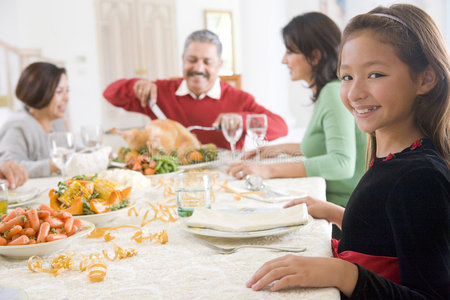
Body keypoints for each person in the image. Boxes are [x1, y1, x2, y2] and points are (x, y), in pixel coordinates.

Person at [246, 4, 449, 299]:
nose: (354, 93)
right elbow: (389, 240)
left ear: (425, 79)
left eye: (376, 74)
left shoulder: (420, 178)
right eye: (347, 76)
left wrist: (343, 273)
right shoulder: (394, 158)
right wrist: (337, 214)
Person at [228, 13, 366, 209]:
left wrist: (269, 170)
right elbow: (328, 145)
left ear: (315, 56)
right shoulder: (330, 90)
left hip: (343, 210)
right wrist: (285, 148)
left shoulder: (332, 93)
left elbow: (341, 163)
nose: (284, 60)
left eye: (290, 52)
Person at [103, 29, 288, 150]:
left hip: (223, 177)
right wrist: (136, 84)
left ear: (219, 65)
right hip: (171, 177)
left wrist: (242, 119)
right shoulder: (159, 92)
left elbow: (281, 128)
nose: (198, 68)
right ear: (183, 59)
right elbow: (110, 94)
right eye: (192, 60)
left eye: (207, 62)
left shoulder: (238, 99)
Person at [0, 62, 68, 178]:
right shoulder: (18, 126)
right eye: (59, 92)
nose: (66, 98)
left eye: (67, 91)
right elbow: (9, 168)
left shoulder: (56, 122)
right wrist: (53, 165)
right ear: (39, 92)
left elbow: (69, 152)